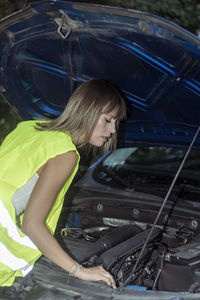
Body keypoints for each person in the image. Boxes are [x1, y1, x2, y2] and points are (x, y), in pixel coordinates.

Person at [0, 79, 126, 290]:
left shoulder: (29, 128)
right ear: (87, 111)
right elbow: (31, 224)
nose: (113, 130)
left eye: (116, 123)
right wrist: (80, 271)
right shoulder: (66, 154)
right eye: (107, 120)